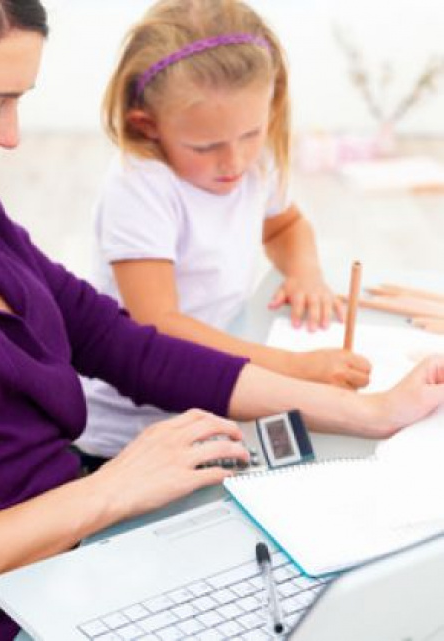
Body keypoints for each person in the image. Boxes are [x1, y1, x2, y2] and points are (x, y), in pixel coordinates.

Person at [0, 1, 444, 639]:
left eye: (18, 103)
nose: (11, 134)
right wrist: (108, 491)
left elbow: (118, 342)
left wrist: (369, 411)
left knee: (384, 589)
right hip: (2, 613)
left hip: (95, 557)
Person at [77, 0, 373, 468]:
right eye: (206, 146)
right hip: (133, 430)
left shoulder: (255, 157)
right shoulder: (140, 186)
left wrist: (305, 272)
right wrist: (294, 370)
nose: (234, 162)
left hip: (217, 398)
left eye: (252, 134)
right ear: (147, 125)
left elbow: (286, 224)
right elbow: (159, 326)